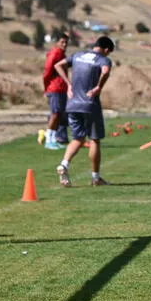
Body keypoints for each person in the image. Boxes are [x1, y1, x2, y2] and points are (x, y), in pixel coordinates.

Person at [53, 36, 114, 187]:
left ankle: (64, 164)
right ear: (106, 50)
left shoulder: (77, 55)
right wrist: (98, 87)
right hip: (89, 103)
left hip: (72, 104)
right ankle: (96, 178)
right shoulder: (103, 59)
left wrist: (68, 85)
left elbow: (58, 65)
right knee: (94, 139)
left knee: (77, 138)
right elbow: (105, 72)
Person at [40, 33, 70, 149]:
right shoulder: (55, 53)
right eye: (62, 42)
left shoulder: (62, 54)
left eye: (66, 42)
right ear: (57, 42)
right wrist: (47, 87)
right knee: (55, 114)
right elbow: (47, 71)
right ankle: (49, 140)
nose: (64, 44)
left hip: (62, 88)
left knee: (59, 115)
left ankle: (53, 139)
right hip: (55, 88)